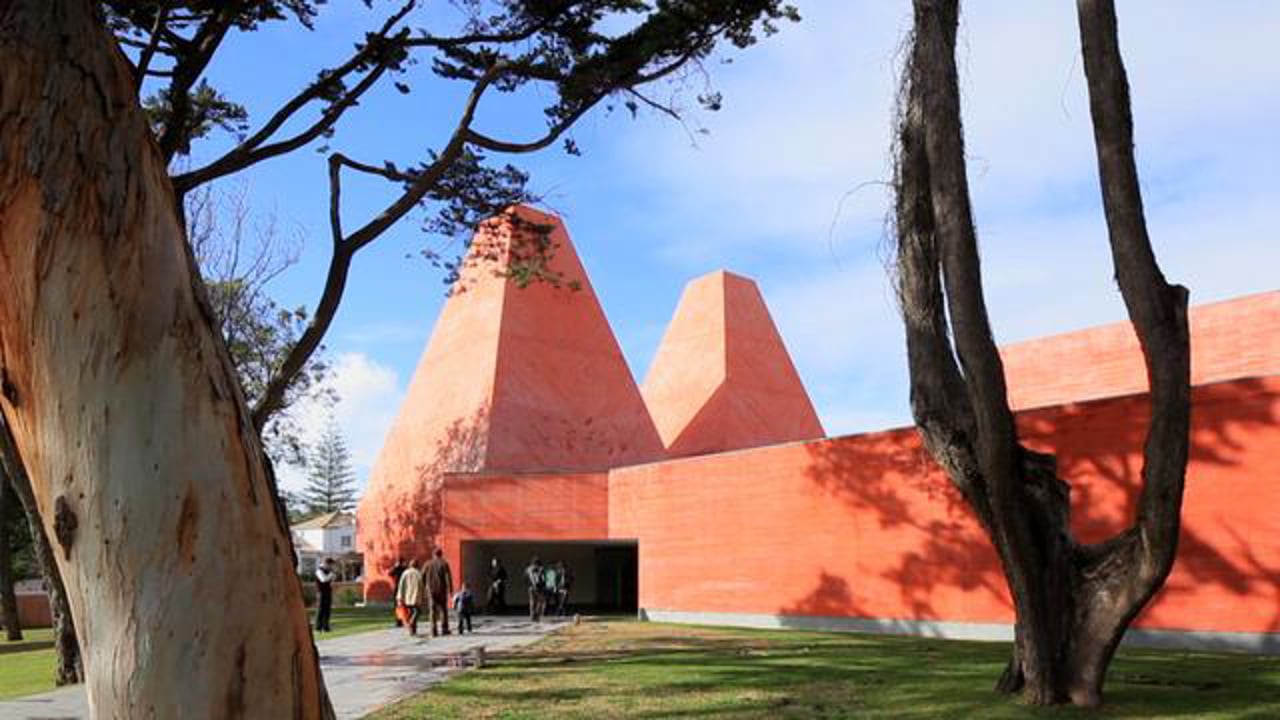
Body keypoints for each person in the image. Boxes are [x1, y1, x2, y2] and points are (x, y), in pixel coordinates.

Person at [424, 547, 453, 637]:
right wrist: (450, 589)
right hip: (441, 590)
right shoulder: (444, 563)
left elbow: (422, 576)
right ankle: (444, 629)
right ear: (441, 554)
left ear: (433, 555)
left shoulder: (427, 564)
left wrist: (425, 587)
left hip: (431, 590)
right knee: (443, 609)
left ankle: (433, 630)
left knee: (432, 610)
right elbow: (448, 578)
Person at [396, 559, 424, 636]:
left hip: (407, 597)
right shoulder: (418, 573)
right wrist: (422, 596)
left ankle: (413, 630)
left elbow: (401, 585)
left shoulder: (405, 573)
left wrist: (399, 597)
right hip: (415, 596)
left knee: (411, 612)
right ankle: (412, 624)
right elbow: (421, 586)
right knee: (417, 612)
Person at [314, 558, 336, 632]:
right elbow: (323, 579)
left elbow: (330, 581)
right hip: (321, 593)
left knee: (327, 610)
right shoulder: (319, 571)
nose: (331, 567)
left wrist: (332, 578)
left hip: (328, 592)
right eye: (330, 565)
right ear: (326, 564)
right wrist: (331, 575)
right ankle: (318, 627)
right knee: (320, 610)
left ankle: (326, 627)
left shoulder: (329, 571)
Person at [525, 556, 545, 622]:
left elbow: (526, 577)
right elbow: (541, 578)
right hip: (536, 587)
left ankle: (533, 616)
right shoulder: (537, 569)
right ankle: (535, 615)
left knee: (533, 601)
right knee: (539, 601)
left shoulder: (528, 569)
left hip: (531, 587)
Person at [388, 558, 408, 626]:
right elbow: (390, 573)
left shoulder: (397, 568)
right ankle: (404, 620)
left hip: (398, 589)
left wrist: (395, 566)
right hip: (404, 589)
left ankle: (399, 621)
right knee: (404, 605)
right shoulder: (405, 568)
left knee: (397, 606)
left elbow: (390, 573)